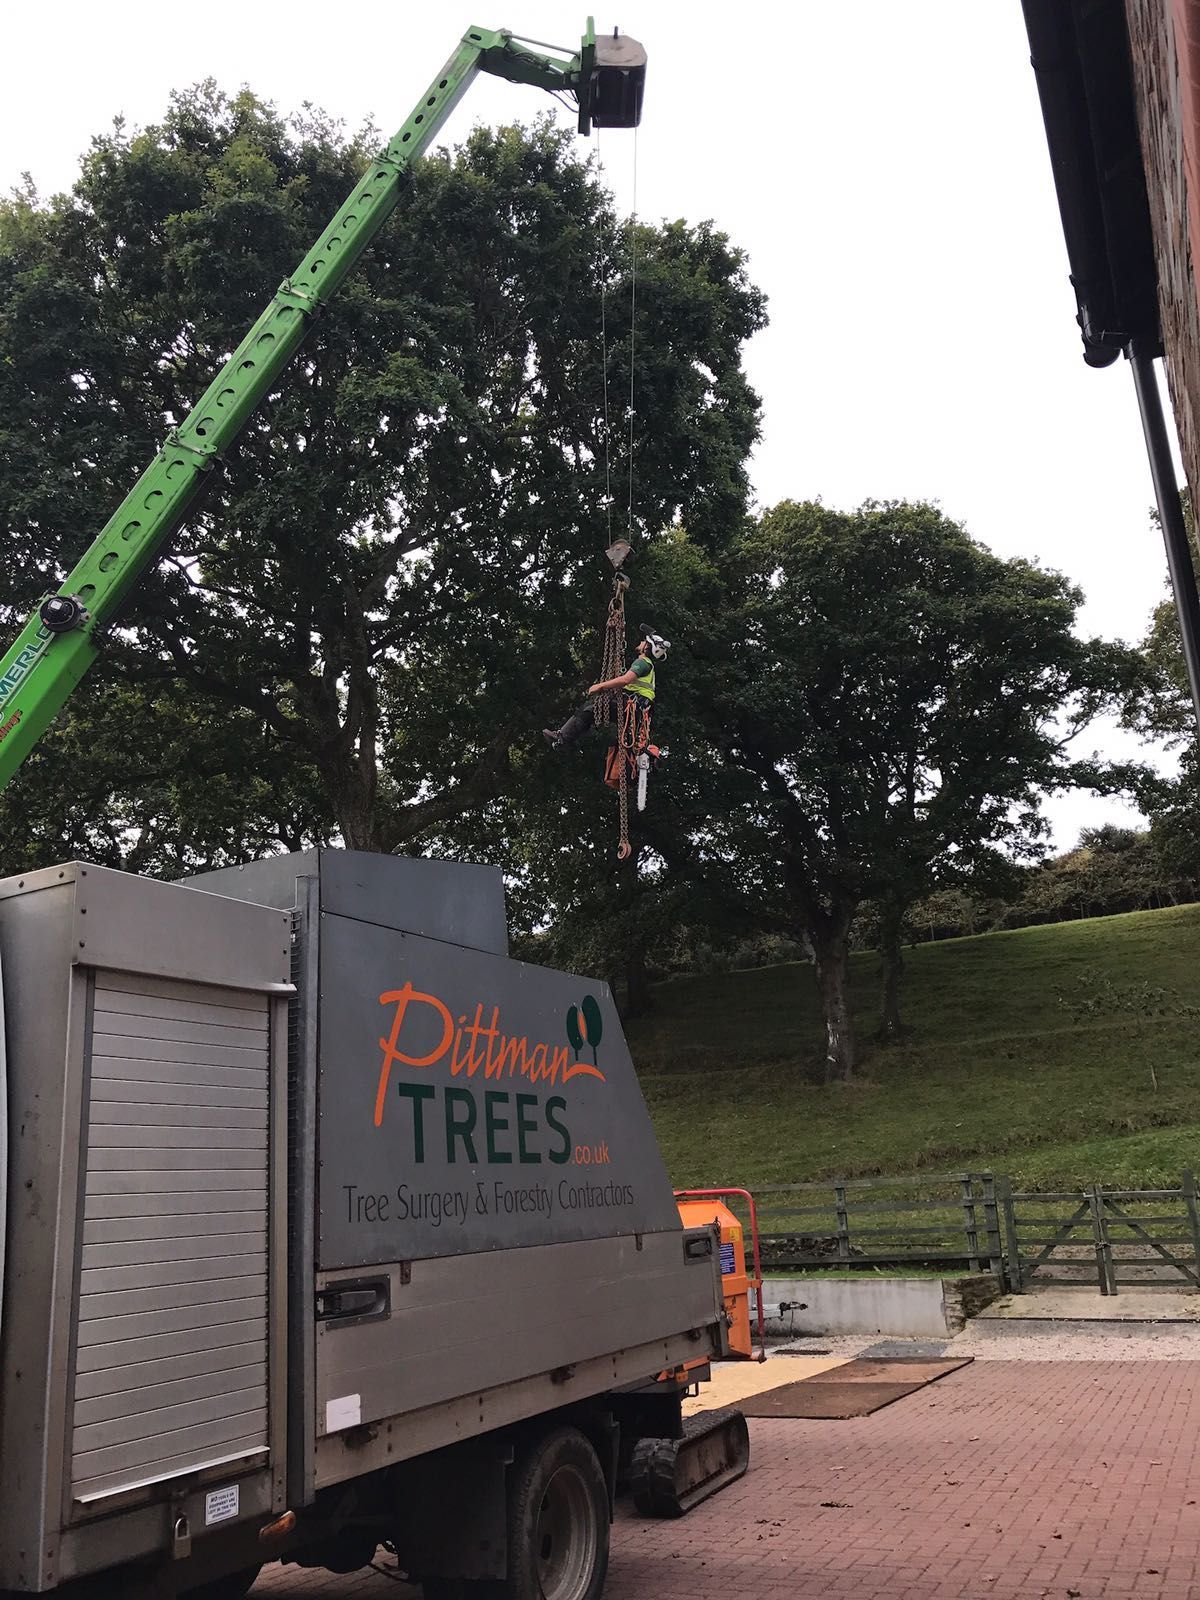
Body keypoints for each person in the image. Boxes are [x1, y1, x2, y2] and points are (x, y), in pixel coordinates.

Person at [542, 632, 670, 748]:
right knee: (593, 712)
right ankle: (564, 739)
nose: (641, 642)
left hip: (633, 706)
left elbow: (625, 680)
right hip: (638, 710)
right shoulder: (649, 666)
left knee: (592, 707)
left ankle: (561, 738)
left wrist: (600, 686)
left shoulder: (642, 662)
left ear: (647, 647)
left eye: (644, 641)